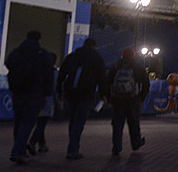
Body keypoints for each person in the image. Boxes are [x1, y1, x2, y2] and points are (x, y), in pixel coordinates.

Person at [6, 31, 55, 164]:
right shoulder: (43, 54)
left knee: (18, 122)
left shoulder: (16, 52)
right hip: (35, 94)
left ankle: (19, 150)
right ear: (39, 39)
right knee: (27, 123)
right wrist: (47, 93)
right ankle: (17, 151)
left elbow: (8, 64)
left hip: (18, 92)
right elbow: (49, 75)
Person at [57, 38, 106, 159]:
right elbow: (102, 79)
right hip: (86, 93)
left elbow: (62, 73)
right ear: (94, 46)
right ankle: (73, 148)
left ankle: (73, 145)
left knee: (73, 120)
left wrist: (59, 90)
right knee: (79, 120)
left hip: (71, 93)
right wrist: (102, 94)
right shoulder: (97, 59)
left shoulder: (72, 57)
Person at [103, 48, 149, 157]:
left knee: (117, 124)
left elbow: (107, 82)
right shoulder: (138, 67)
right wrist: (141, 97)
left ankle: (116, 147)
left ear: (122, 55)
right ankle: (136, 143)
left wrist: (109, 98)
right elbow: (146, 83)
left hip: (117, 99)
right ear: (133, 55)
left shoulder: (116, 67)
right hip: (133, 99)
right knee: (133, 122)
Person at [27, 53, 57, 155]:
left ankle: (42, 144)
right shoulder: (53, 72)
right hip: (47, 100)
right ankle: (32, 141)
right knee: (42, 123)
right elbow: (54, 88)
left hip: (36, 98)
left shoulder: (38, 71)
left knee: (40, 122)